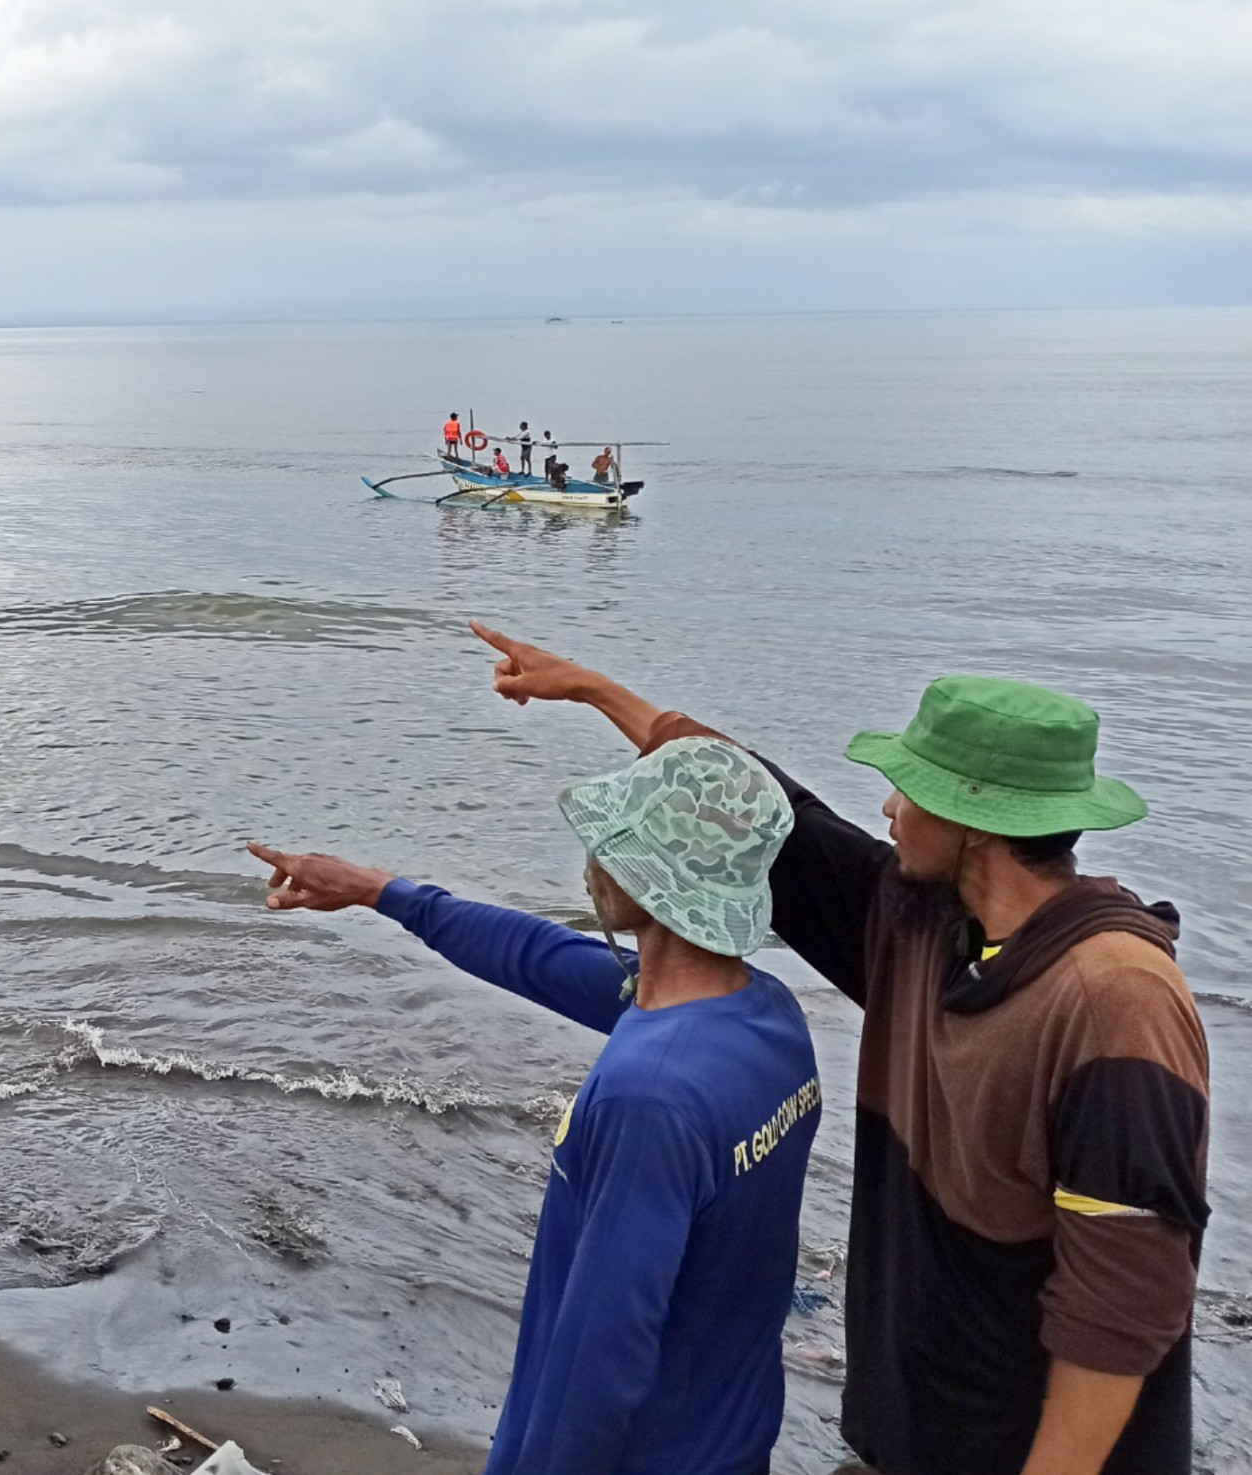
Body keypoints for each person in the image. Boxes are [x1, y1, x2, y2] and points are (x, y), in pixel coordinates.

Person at [473, 624, 1206, 1475]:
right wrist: (598, 692)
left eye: (907, 789)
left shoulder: (1117, 998)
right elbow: (768, 812)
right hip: (923, 1433)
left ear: (974, 820)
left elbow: (1122, 1300)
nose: (889, 809)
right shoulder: (924, 929)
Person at [250, 731, 816, 1475]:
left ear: (649, 877)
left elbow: (598, 1358)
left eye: (608, 844)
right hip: (728, 1444)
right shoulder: (766, 1016)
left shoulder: (649, 1097)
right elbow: (539, 956)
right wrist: (380, 890)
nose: (588, 862)